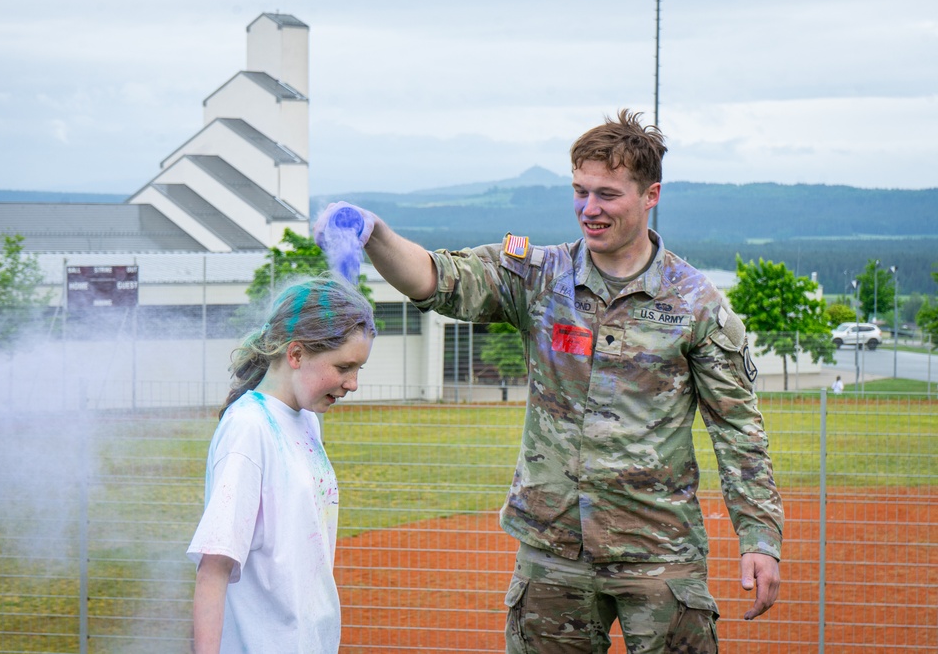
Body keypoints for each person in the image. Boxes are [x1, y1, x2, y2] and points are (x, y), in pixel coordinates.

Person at [315, 109, 784, 653]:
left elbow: (739, 433)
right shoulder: (539, 277)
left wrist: (760, 538)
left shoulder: (696, 303)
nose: (590, 209)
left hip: (658, 554)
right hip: (553, 550)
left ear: (650, 194)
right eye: (580, 192)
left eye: (607, 195)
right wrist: (375, 233)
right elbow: (436, 277)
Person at [187, 276, 376, 654]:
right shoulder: (248, 429)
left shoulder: (307, 420)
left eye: (359, 369)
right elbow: (214, 568)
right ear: (296, 354)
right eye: (344, 367)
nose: (352, 384)